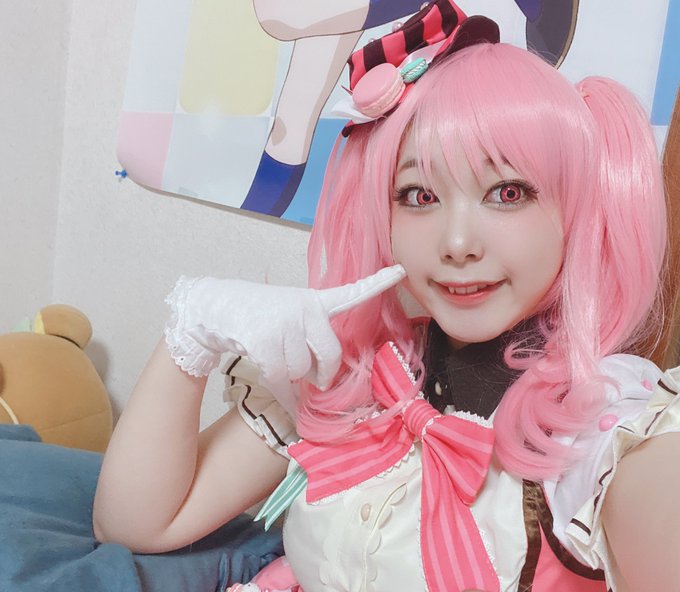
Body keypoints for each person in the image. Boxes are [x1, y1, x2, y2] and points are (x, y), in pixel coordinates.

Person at [93, 4, 680, 591]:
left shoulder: (603, 424)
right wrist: (194, 328)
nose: (457, 244)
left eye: (507, 192)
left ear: (576, 212)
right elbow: (138, 524)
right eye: (419, 196)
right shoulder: (352, 371)